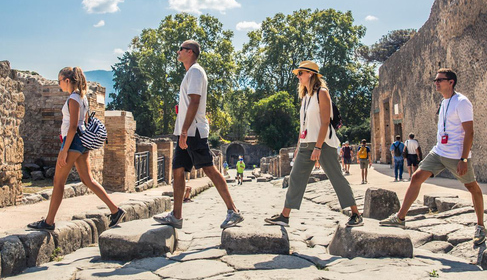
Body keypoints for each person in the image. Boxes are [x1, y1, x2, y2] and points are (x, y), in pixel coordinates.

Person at [381, 68, 487, 246]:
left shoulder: (462, 102)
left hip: (456, 155)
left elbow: (469, 132)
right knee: (416, 177)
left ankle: (480, 226)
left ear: (451, 82)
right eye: (435, 80)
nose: (436, 83)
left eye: (440, 80)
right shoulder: (444, 102)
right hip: (439, 151)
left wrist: (464, 159)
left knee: (472, 187)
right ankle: (400, 218)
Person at [154, 40, 243, 229]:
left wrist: (185, 131)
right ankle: (176, 216)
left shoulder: (195, 71)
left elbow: (194, 101)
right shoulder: (190, 73)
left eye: (181, 49)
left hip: (193, 131)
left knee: (209, 169)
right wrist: (181, 131)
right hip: (185, 132)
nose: (178, 51)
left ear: (190, 52)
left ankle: (233, 211)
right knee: (178, 171)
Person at [265, 61, 363, 228]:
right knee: (295, 177)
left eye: (300, 73)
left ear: (310, 74)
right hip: (305, 143)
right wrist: (298, 146)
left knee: (336, 177)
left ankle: (356, 213)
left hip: (323, 143)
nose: (298, 76)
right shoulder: (306, 97)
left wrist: (318, 147)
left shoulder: (322, 93)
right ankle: (285, 215)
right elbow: (303, 125)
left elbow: (325, 123)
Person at [28, 67, 125, 231]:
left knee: (58, 181)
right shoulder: (83, 97)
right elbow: (84, 122)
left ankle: (49, 222)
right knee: (88, 180)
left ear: (67, 80)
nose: (59, 85)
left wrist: (64, 150)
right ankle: (115, 211)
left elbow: (73, 126)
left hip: (72, 142)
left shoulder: (73, 98)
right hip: (82, 142)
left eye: (60, 81)